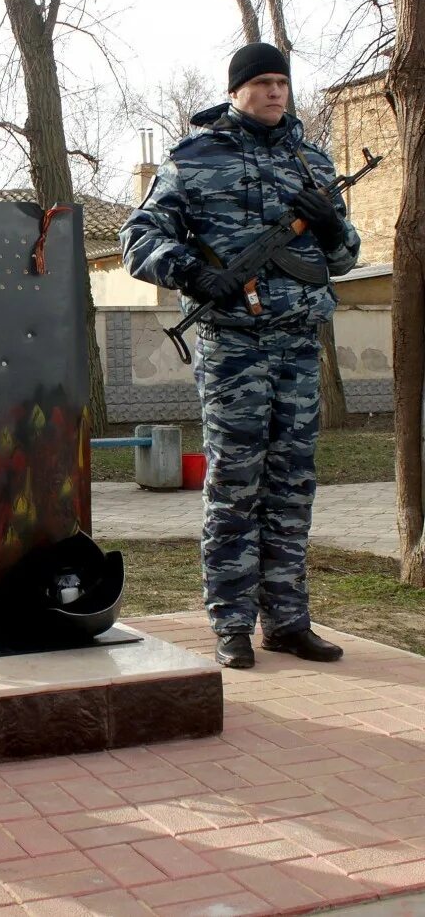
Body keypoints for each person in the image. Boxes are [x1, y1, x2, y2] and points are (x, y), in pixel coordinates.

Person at [119, 43, 360, 670]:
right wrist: (195, 274)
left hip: (299, 348)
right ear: (237, 91)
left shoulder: (312, 163)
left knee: (293, 487)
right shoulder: (195, 160)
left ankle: (287, 620)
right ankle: (231, 622)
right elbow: (138, 237)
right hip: (236, 350)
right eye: (263, 83)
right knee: (234, 485)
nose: (276, 93)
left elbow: (343, 259)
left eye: (283, 82)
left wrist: (333, 229)